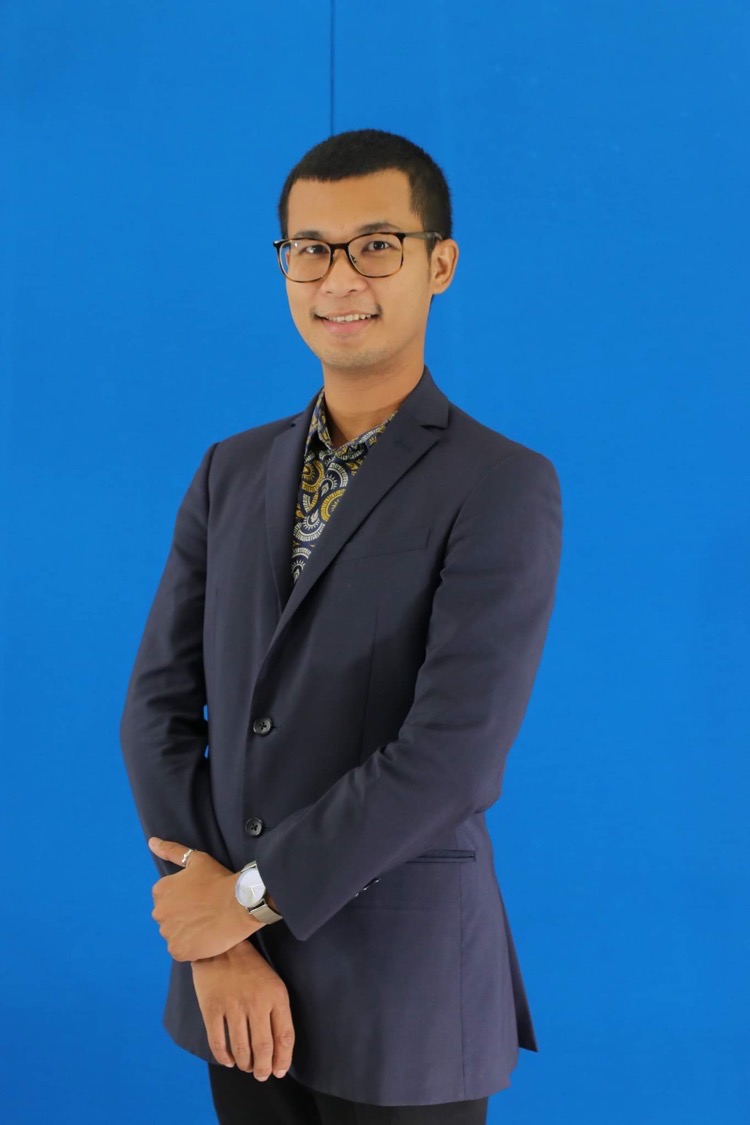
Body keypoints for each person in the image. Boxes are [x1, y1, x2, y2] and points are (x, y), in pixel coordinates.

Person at [120, 127, 563, 1125]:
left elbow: (452, 758)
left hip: (405, 996)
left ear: (439, 264)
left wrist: (240, 901)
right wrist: (220, 942)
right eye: (310, 249)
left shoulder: (500, 483)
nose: (339, 278)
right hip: (235, 990)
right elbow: (155, 711)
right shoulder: (229, 470)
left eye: (376, 245)